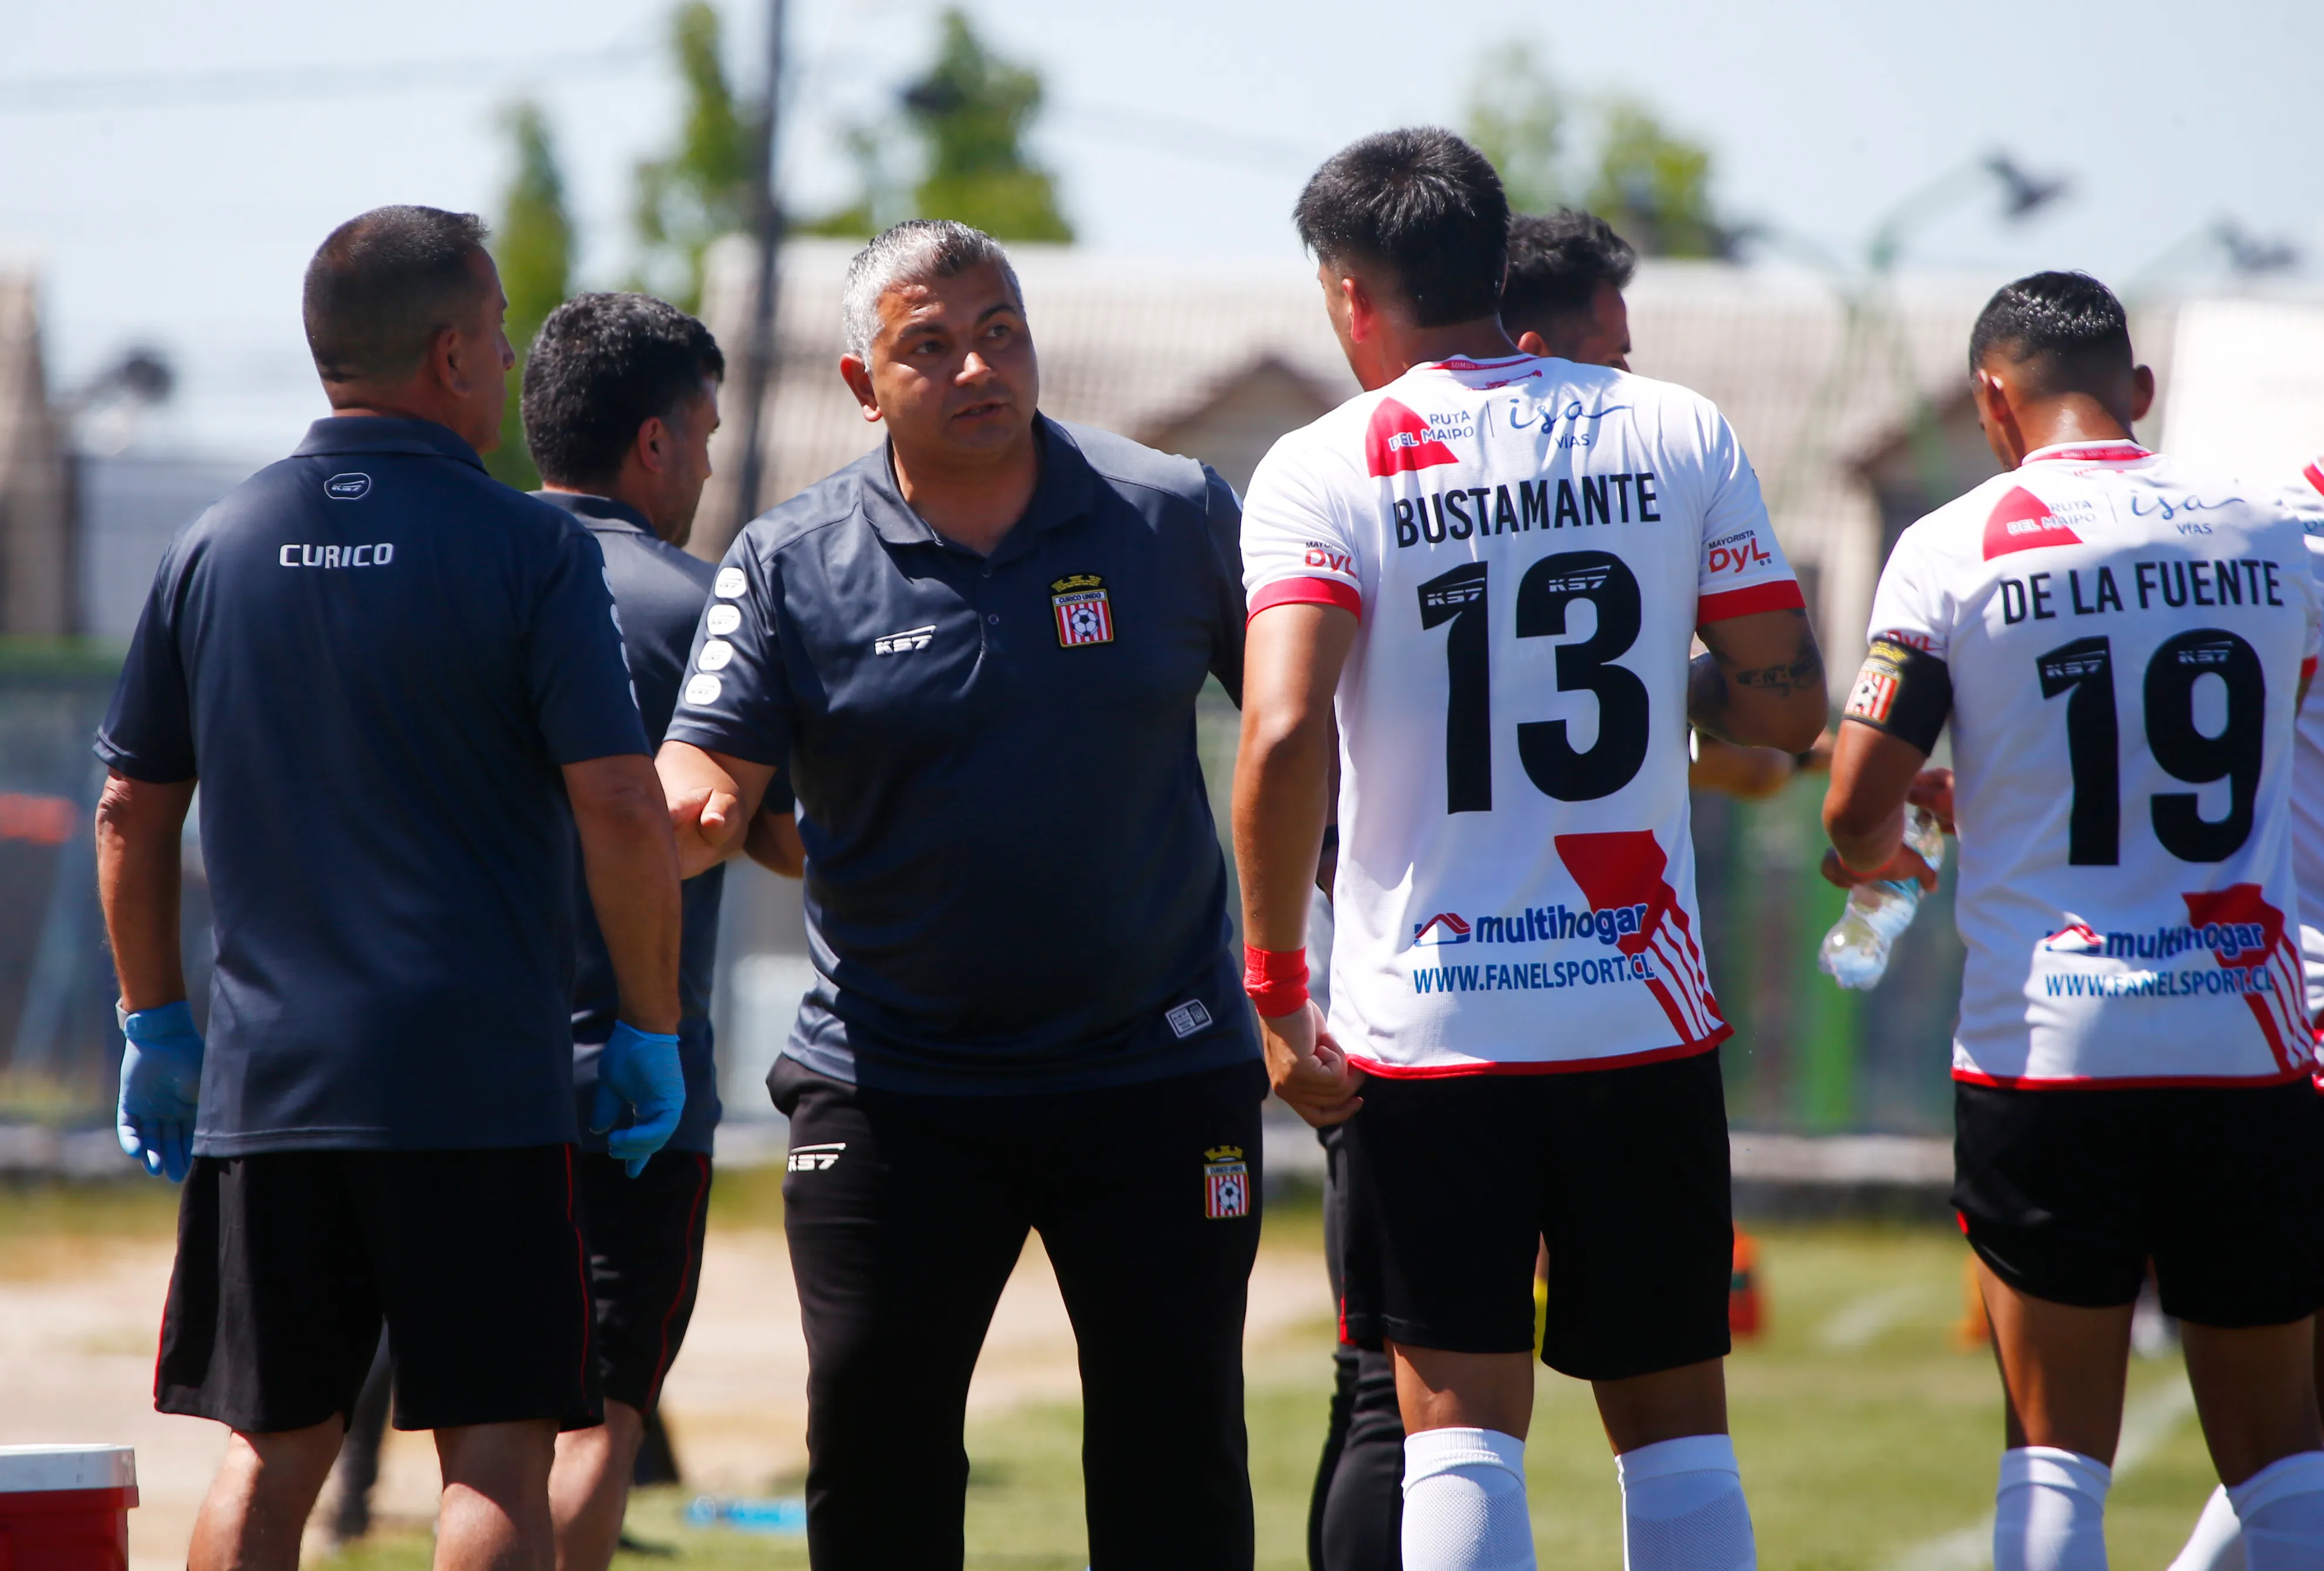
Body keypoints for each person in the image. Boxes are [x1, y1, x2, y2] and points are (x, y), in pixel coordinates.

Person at [1237, 130, 1824, 1571]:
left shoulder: (1323, 463)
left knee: (1451, 1436)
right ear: (1496, 263)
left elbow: (1279, 731)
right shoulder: (1674, 428)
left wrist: (1272, 983)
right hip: (1636, 1001)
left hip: (1430, 1021)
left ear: (1347, 292)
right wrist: (1673, 684)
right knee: (1679, 1438)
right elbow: (1786, 701)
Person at [653, 218, 1264, 1570]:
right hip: (894, 1087)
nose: (977, 364)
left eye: (1000, 330)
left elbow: (1302, 735)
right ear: (862, 386)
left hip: (1155, 1077)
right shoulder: (788, 557)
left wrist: (1330, 951)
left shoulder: (1170, 512)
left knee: (1176, 1457)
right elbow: (702, 774)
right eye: (928, 345)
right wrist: (676, 812)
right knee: (876, 1455)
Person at [94, 206, 684, 1571]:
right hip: (476, 1085)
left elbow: (130, 803)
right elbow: (616, 798)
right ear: (450, 353)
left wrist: (156, 1023)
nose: (505, 354)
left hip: (269, 1089)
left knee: (269, 1444)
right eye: (495, 329)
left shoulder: (213, 545)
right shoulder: (533, 550)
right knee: (491, 1449)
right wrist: (648, 1025)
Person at [1821, 271, 2324, 1571]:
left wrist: (1880, 846)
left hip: (2052, 1042)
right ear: (2138, 392)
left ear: (1993, 399)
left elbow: (1851, 806)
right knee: (2285, 1463)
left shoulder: (1951, 542)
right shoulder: (2277, 525)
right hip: (2244, 1032)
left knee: (2054, 1461)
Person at [510, 291, 742, 1571]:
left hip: (440, 1077)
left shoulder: (461, 570)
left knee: (473, 1431)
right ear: (653, 443)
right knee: (595, 1414)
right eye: (703, 434)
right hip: (627, 1091)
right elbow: (763, 818)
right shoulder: (698, 606)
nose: (708, 462)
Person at [2165, 449, 2324, 1571]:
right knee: (2289, 1436)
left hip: (2278, 1015)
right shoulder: (2272, 534)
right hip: (2291, 1021)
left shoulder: (2261, 529)